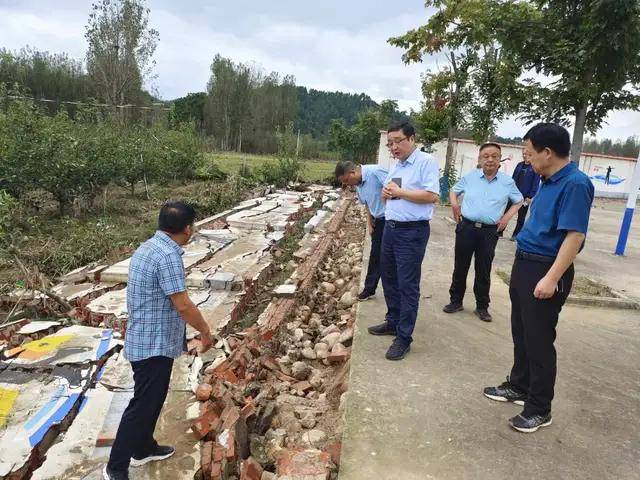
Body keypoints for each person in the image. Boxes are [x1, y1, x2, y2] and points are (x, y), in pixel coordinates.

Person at [483, 123, 594, 433]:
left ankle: (539, 408)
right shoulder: (546, 178)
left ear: (547, 152)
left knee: (540, 340)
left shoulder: (575, 183)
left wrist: (551, 278)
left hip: (546, 267)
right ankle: (519, 386)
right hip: (525, 262)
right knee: (521, 331)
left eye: (530, 152)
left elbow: (574, 236)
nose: (526, 158)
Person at [104, 201, 213, 480]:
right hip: (152, 345)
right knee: (142, 405)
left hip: (149, 339)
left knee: (152, 400)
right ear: (187, 229)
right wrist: (204, 331)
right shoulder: (167, 256)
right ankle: (115, 467)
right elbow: (183, 305)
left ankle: (143, 448)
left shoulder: (149, 247)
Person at [367, 121, 439, 361]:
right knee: (389, 278)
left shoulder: (425, 162)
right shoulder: (395, 165)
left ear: (411, 139)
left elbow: (431, 196)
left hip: (412, 232)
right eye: (390, 143)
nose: (394, 147)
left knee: (407, 284)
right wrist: (386, 194)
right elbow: (388, 194)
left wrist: (400, 193)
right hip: (391, 228)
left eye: (398, 141)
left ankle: (404, 337)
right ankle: (393, 321)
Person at [443, 143, 523, 322]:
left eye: (495, 156)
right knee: (460, 266)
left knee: (483, 269)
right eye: (486, 156)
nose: (490, 159)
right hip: (466, 228)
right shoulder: (470, 177)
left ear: (499, 160)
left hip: (489, 232)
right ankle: (455, 301)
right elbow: (453, 191)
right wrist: (455, 204)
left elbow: (519, 201)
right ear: (479, 159)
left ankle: (482, 307)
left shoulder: (507, 182)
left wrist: (506, 218)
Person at [335, 160, 388, 301]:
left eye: (346, 180)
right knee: (375, 256)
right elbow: (368, 205)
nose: (347, 184)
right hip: (378, 222)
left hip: (391, 220)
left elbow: (396, 189)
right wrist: (369, 224)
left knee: (390, 258)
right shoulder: (358, 184)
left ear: (352, 172)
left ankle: (395, 292)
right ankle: (369, 289)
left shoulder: (376, 172)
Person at [500, 149, 540, 240]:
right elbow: (513, 178)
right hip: (513, 195)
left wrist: (530, 196)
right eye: (523, 154)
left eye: (527, 154)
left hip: (524, 197)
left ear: (531, 155)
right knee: (506, 214)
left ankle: (515, 235)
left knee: (521, 218)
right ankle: (499, 232)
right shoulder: (519, 165)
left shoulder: (534, 167)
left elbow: (536, 183)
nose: (524, 156)